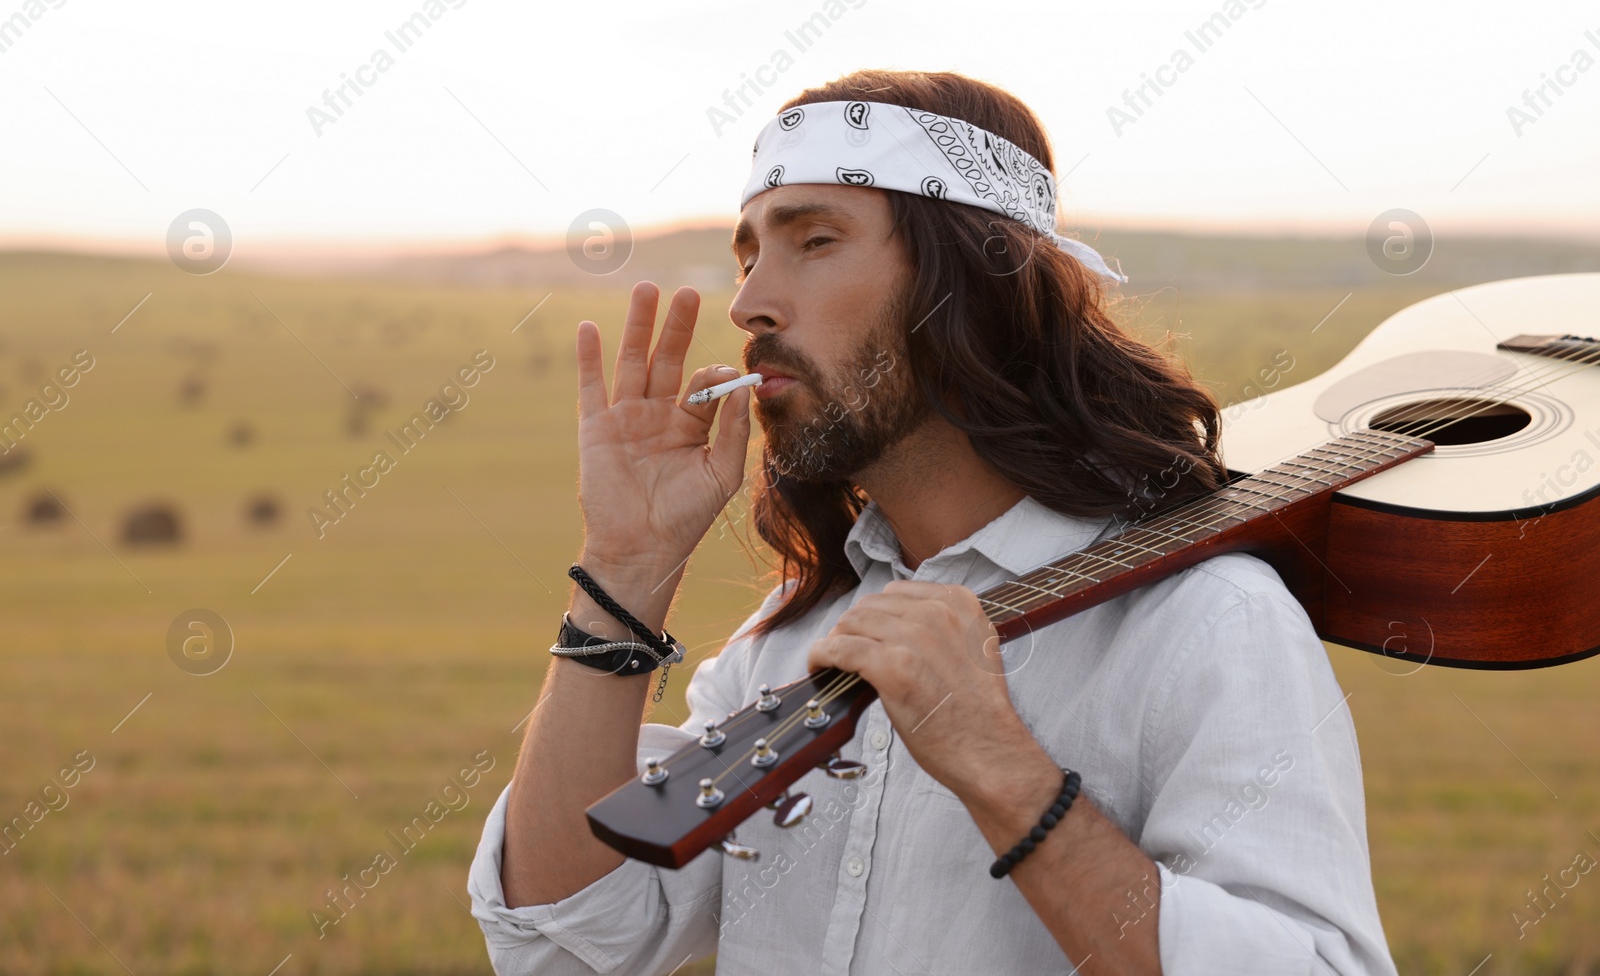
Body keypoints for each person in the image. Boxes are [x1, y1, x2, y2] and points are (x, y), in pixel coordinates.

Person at [467, 69, 1399, 975]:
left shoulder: (1205, 623)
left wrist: (1001, 766)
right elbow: (557, 945)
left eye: (815, 240)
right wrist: (623, 570)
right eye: (749, 254)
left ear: (971, 281)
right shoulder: (783, 645)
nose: (748, 302)